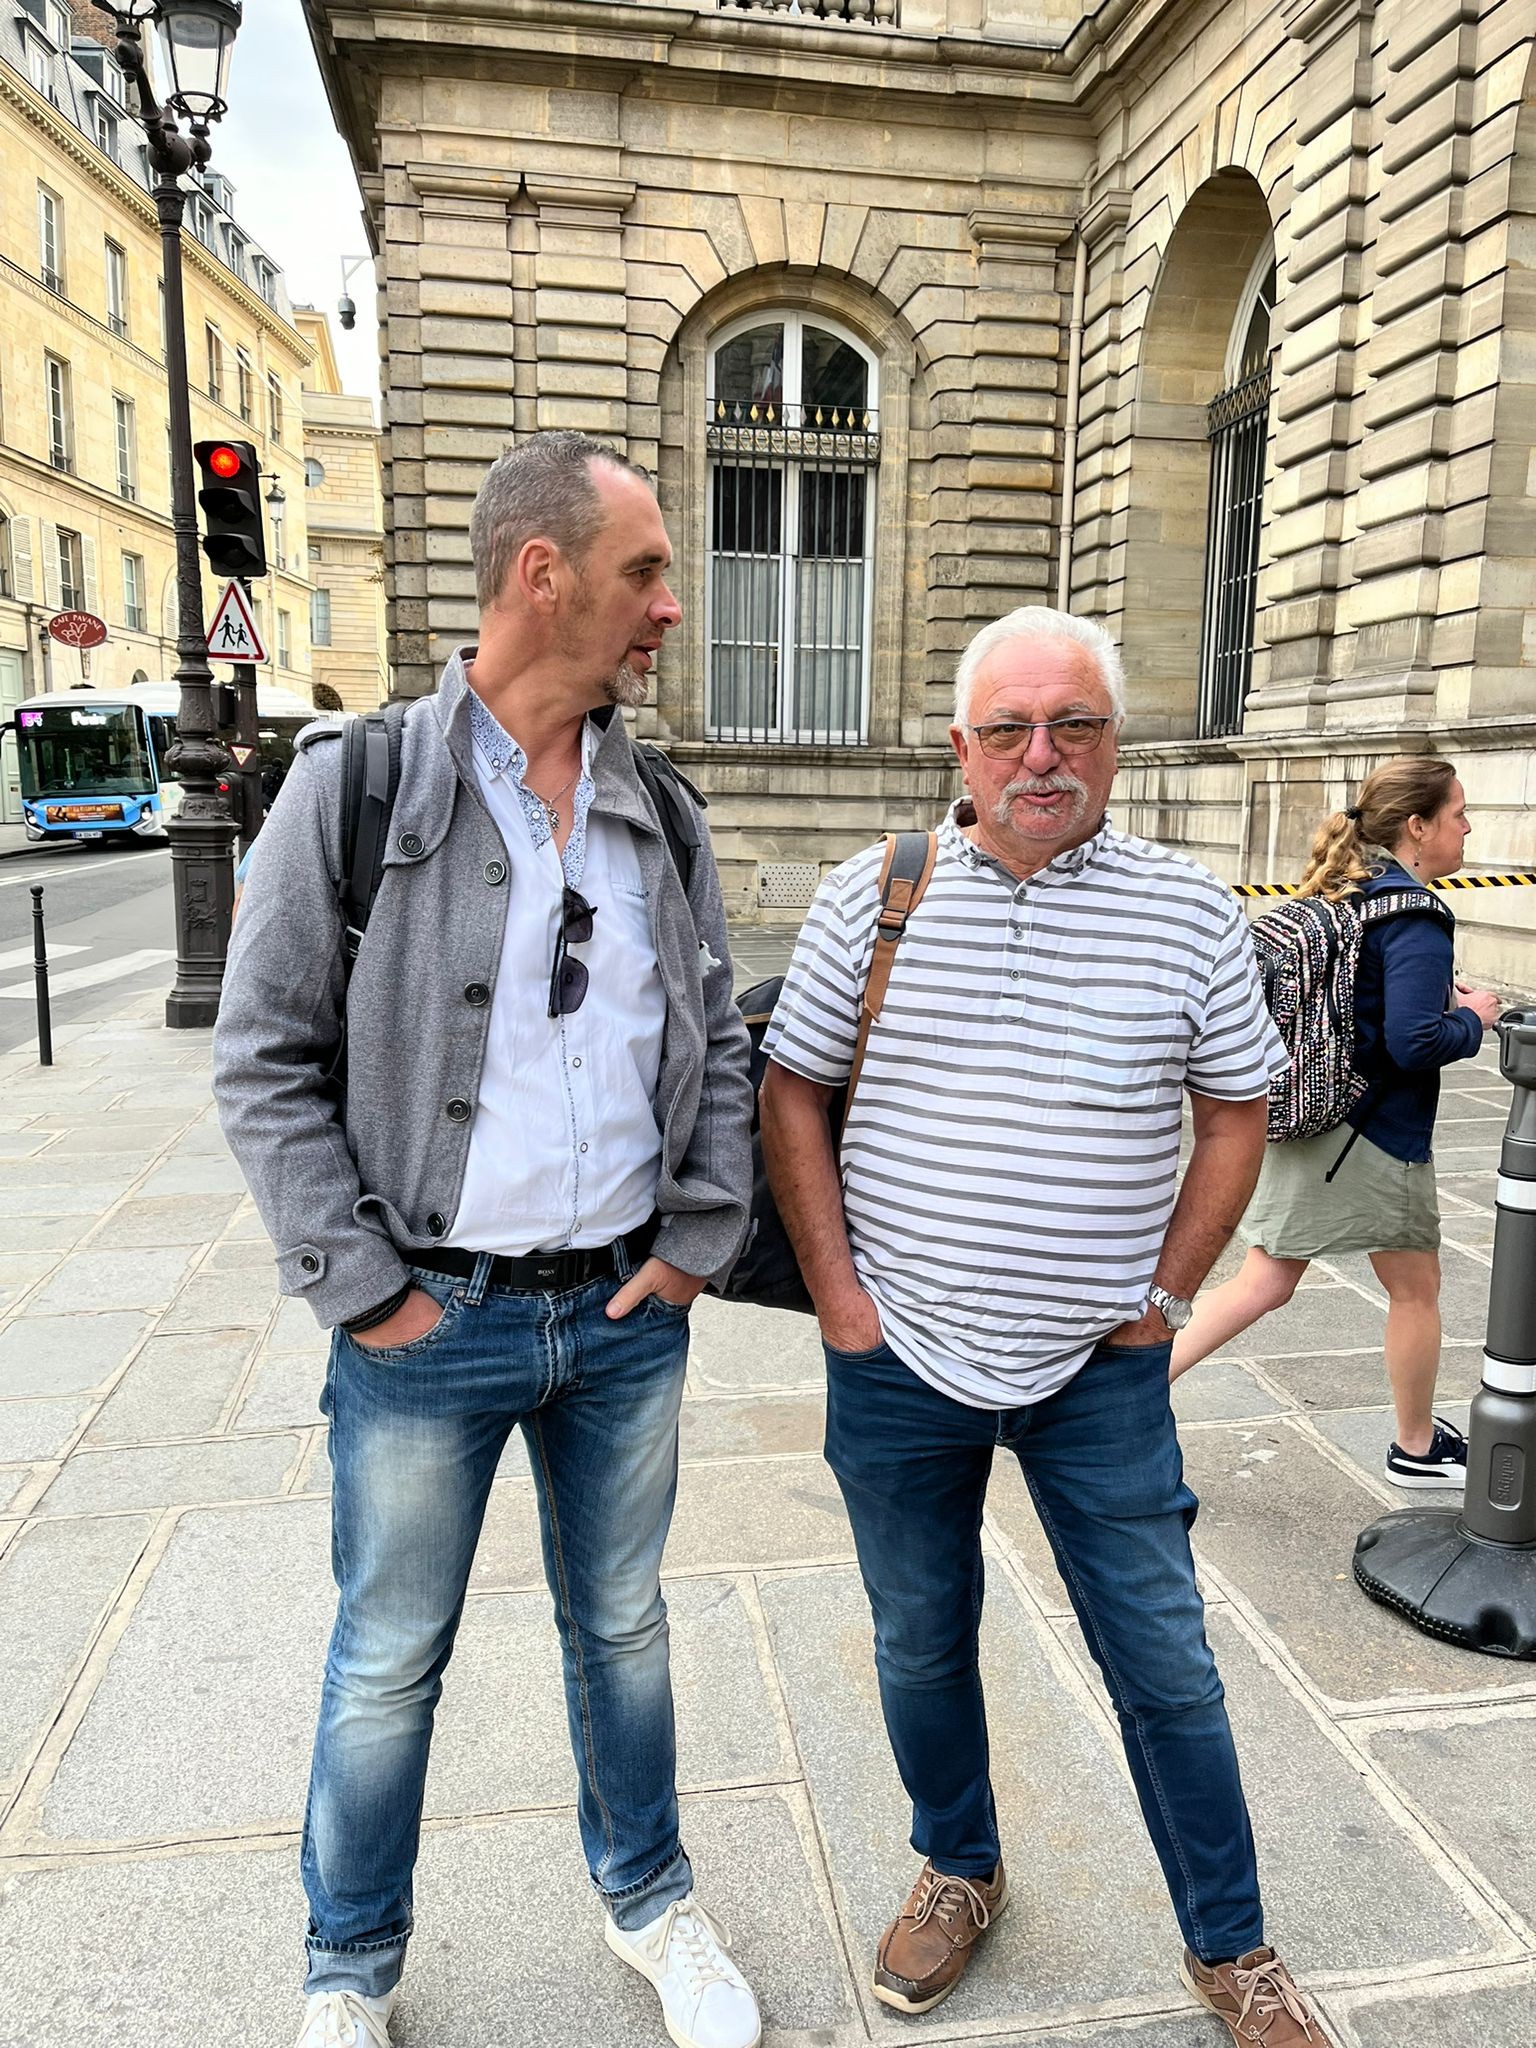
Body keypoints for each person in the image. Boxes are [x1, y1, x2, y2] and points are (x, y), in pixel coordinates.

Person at [214, 431, 759, 2048]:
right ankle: (348, 1968)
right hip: (428, 1320)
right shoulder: (359, 783)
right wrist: (365, 1292)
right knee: (387, 1657)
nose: (669, 604)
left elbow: (716, 1037)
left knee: (627, 1627)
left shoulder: (658, 805)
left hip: (623, 1315)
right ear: (545, 572)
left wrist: (698, 1238)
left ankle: (651, 1901)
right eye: (645, 569)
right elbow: (259, 1052)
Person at [759, 605, 1335, 2048]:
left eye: (1074, 726)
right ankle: (958, 1867)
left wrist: (1167, 1295)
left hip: (1100, 1373)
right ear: (961, 745)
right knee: (918, 1636)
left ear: (1115, 748)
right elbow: (792, 1094)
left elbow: (1236, 1110)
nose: (1042, 755)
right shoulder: (873, 893)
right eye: (1010, 727)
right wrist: (839, 1300)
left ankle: (1233, 1948)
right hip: (901, 1362)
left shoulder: (1193, 911)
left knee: (1162, 1658)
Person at [1170, 757, 1500, 1486]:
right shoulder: (1414, 914)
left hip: (1319, 1120)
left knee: (1268, 1280)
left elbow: (1370, 1009)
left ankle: (1121, 1401)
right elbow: (1413, 1044)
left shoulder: (1355, 893)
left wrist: (1441, 1004)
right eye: (1458, 814)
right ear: (1418, 827)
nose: (1468, 828)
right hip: (1372, 1139)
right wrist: (1473, 1021)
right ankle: (1415, 1448)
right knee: (1408, 1291)